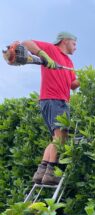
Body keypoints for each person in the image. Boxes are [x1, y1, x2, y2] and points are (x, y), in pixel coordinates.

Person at [22, 32, 80, 185]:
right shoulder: (51, 50)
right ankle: (51, 172)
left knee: (57, 138)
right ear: (65, 41)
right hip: (53, 99)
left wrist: (84, 79)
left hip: (59, 101)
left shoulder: (68, 62)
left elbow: (73, 85)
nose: (76, 48)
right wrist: (43, 55)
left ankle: (42, 171)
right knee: (60, 138)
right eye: (74, 44)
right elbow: (26, 42)